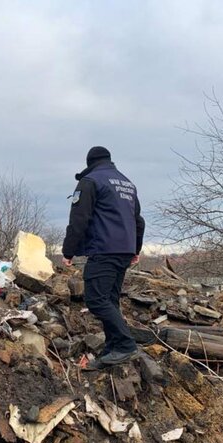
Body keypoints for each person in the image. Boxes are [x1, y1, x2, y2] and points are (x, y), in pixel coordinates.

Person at [62, 146, 146, 369]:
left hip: (104, 249)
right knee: (110, 300)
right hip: (124, 250)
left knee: (97, 300)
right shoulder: (127, 184)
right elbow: (139, 221)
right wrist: (135, 248)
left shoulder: (91, 181)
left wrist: (68, 251)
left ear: (90, 162)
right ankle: (113, 347)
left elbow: (79, 218)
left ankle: (126, 345)